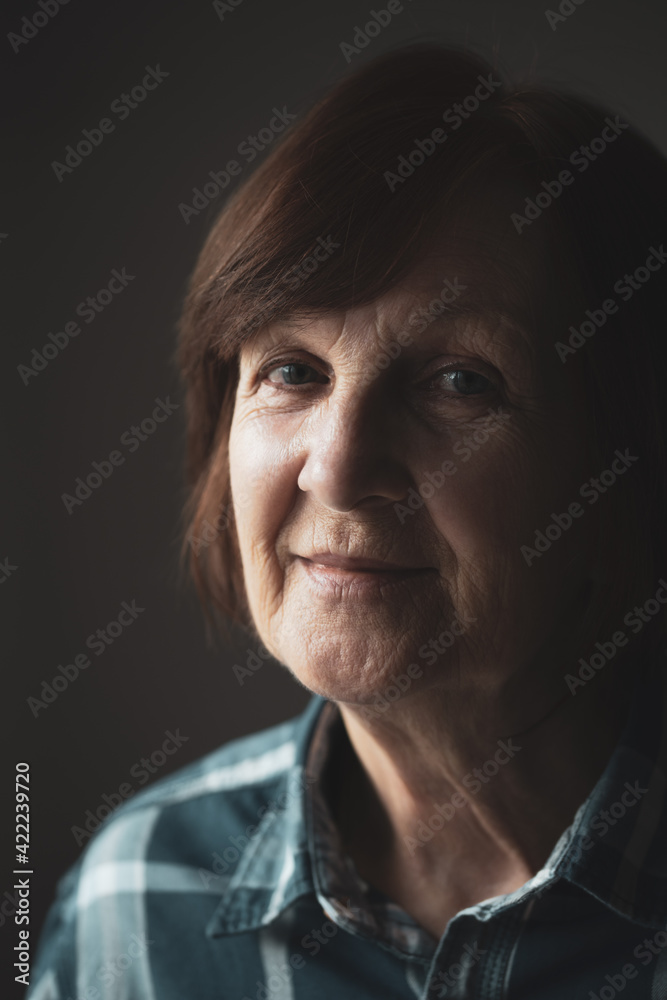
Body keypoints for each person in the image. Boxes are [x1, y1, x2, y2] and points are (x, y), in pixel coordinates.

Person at [28, 43, 667, 1000]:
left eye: (460, 382)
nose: (336, 468)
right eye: (292, 369)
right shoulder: (135, 902)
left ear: (623, 464)